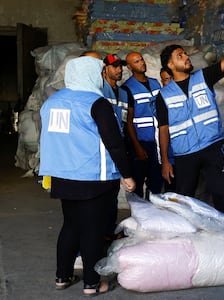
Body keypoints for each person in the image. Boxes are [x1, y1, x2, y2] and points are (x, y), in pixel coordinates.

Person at [39, 55, 135, 297]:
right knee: (92, 230)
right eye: (100, 73)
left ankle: (63, 276)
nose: (102, 78)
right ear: (92, 75)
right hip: (93, 177)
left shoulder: (52, 102)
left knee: (70, 225)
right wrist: (127, 175)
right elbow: (114, 144)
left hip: (62, 176)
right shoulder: (97, 103)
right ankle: (92, 283)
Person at [156, 27, 224, 216]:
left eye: (185, 54)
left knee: (221, 195)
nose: (186, 57)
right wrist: (165, 162)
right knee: (184, 199)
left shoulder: (203, 77)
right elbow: (163, 129)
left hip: (212, 148)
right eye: (180, 55)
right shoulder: (163, 96)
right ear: (170, 65)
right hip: (185, 154)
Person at [122, 51, 163, 199]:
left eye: (141, 59)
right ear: (129, 67)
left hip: (158, 140)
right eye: (136, 61)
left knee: (156, 181)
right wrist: (137, 147)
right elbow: (128, 121)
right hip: (141, 142)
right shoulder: (127, 88)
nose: (142, 63)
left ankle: (153, 215)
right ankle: (139, 214)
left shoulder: (155, 83)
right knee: (138, 182)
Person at [102, 53, 128, 242]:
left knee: (112, 195)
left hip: (119, 147)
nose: (119, 70)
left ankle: (108, 232)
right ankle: (100, 234)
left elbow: (126, 121)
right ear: (105, 68)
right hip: (103, 148)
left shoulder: (124, 93)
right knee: (101, 194)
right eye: (115, 66)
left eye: (120, 66)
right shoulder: (99, 90)